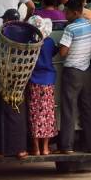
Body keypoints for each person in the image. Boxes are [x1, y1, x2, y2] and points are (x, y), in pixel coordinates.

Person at [58, 0, 91, 154]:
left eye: (67, 12)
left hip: (72, 72)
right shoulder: (89, 26)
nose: (65, 14)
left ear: (75, 12)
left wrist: (60, 46)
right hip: (86, 70)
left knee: (69, 109)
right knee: (88, 108)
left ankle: (67, 146)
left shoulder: (70, 28)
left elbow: (62, 53)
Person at [0, 8, 28, 159]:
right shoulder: (26, 32)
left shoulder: (1, 32)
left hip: (3, 76)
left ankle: (2, 150)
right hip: (21, 77)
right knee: (18, 112)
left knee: (2, 112)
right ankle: (21, 149)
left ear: (6, 20)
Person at [27, 15, 58, 156]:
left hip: (33, 81)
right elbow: (54, 53)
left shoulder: (30, 43)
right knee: (47, 115)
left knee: (34, 114)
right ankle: (45, 148)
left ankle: (36, 149)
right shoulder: (50, 42)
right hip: (48, 82)